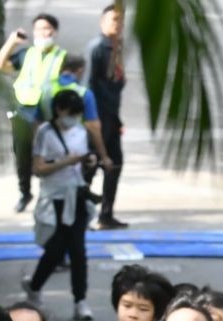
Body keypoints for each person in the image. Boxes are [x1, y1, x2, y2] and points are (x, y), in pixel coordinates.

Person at [25, 88, 96, 321]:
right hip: (54, 197)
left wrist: (89, 161)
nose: (73, 119)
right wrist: (67, 162)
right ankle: (35, 287)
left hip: (75, 196)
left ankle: (80, 300)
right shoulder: (46, 132)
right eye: (70, 113)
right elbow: (38, 168)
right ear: (59, 109)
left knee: (78, 250)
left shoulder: (81, 131)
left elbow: (83, 162)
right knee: (55, 249)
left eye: (77, 114)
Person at [0, 13, 67, 214]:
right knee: (22, 155)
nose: (43, 33)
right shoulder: (27, 54)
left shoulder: (62, 56)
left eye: (47, 28)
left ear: (54, 31)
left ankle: (52, 193)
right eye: (38, 29)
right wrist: (12, 42)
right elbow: (1, 65)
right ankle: (24, 192)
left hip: (50, 112)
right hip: (24, 110)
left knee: (52, 153)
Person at [88, 4, 130, 228]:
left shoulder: (116, 48)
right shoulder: (97, 48)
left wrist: (117, 119)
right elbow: (89, 86)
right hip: (97, 118)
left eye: (121, 21)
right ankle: (80, 214)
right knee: (91, 165)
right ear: (102, 22)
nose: (118, 25)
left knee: (115, 165)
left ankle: (106, 214)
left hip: (112, 118)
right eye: (114, 20)